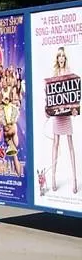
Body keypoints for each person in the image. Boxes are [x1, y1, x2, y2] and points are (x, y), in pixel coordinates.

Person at [48, 46, 78, 194]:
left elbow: (74, 93)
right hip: (57, 115)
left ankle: (74, 180)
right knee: (56, 143)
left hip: (66, 114)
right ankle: (52, 178)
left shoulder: (69, 73)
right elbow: (50, 94)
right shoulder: (54, 74)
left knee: (70, 144)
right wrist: (48, 111)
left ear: (65, 58)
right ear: (57, 58)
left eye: (63, 56)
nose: (61, 58)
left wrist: (74, 108)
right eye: (59, 56)